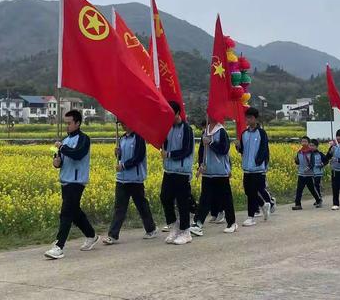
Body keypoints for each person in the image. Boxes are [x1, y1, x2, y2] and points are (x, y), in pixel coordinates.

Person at [44, 110, 99, 260]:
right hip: (65, 180)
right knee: (75, 212)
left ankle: (59, 246)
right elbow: (57, 160)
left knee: (66, 212)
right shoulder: (63, 140)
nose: (66, 126)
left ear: (78, 123)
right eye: (65, 123)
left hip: (77, 181)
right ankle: (91, 235)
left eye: (69, 123)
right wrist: (56, 161)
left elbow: (77, 154)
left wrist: (61, 148)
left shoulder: (84, 139)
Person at [102, 122, 158, 245]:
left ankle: (151, 229)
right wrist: (117, 153)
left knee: (141, 205)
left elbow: (138, 157)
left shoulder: (139, 137)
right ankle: (113, 235)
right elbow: (120, 157)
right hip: (122, 179)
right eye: (122, 123)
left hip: (135, 179)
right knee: (119, 207)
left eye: (125, 123)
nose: (123, 125)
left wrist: (124, 165)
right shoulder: (122, 138)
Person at [190, 119, 238, 236]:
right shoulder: (205, 132)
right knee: (205, 199)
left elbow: (224, 149)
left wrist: (211, 143)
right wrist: (200, 166)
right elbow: (202, 152)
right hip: (208, 172)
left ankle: (232, 223)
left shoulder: (221, 131)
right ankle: (198, 223)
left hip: (220, 172)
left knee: (226, 199)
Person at [160, 101, 195, 245]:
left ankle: (186, 232)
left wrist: (168, 155)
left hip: (181, 171)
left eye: (170, 114)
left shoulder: (187, 129)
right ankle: (174, 226)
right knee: (165, 197)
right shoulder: (167, 128)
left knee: (182, 202)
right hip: (169, 170)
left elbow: (186, 150)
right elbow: (164, 146)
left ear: (177, 113)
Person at [236, 107, 271, 226]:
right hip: (247, 168)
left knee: (253, 192)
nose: (247, 120)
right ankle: (263, 204)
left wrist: (259, 162)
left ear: (255, 119)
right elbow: (243, 150)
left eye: (250, 118)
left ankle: (251, 217)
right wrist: (238, 147)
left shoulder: (261, 133)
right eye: (246, 117)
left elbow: (264, 150)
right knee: (248, 191)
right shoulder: (244, 133)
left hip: (257, 169)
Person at [292, 136, 322, 210]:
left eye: (305, 141)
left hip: (309, 174)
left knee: (312, 189)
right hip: (301, 174)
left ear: (308, 143)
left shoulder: (311, 152)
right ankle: (298, 204)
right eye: (302, 141)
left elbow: (312, 163)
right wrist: (296, 161)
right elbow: (298, 162)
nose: (304, 143)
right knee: (299, 189)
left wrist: (308, 168)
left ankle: (318, 200)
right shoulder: (299, 152)